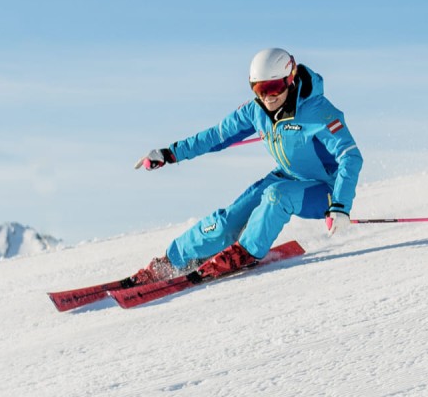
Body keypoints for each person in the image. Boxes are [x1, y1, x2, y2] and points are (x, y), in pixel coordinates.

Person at [128, 48, 363, 285]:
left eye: (274, 87)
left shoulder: (318, 111)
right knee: (228, 220)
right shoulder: (256, 111)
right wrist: (170, 154)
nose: (269, 97)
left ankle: (245, 252)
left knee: (277, 196)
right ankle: (172, 261)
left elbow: (350, 156)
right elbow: (216, 136)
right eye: (260, 89)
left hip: (326, 189)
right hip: (287, 176)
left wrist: (340, 206)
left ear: (290, 79)